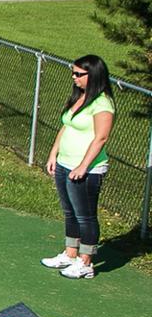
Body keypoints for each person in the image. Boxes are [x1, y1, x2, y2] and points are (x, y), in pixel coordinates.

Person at [42, 54, 115, 280]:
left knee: (85, 216)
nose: (74, 78)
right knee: (69, 212)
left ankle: (86, 262)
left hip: (86, 169)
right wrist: (54, 153)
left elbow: (101, 138)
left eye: (78, 74)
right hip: (65, 163)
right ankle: (70, 253)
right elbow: (67, 126)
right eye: (72, 73)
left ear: (92, 75)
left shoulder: (102, 103)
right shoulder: (80, 97)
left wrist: (83, 166)